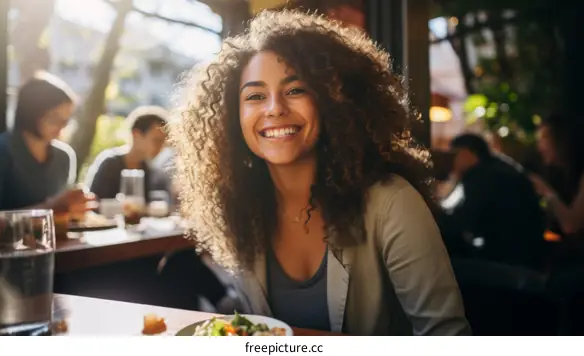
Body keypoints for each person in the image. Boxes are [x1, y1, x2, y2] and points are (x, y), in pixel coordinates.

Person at [169, 10, 470, 335]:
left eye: (295, 90)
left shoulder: (391, 203)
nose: (274, 108)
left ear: (333, 102)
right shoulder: (241, 208)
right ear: (232, 117)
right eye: (255, 96)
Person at [0, 71, 93, 218]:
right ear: (32, 112)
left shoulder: (64, 156)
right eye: (54, 118)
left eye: (66, 120)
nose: (61, 126)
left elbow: (63, 215)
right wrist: (52, 207)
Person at [443, 133, 547, 269]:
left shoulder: (481, 175)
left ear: (467, 153)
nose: (452, 161)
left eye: (454, 155)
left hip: (507, 262)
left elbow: (468, 220)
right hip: (529, 257)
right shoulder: (499, 168)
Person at [84, 106, 171, 203]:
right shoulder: (110, 163)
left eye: (163, 142)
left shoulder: (147, 168)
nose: (161, 147)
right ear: (136, 135)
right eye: (157, 140)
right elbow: (94, 202)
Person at [530, 113, 584, 237]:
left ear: (564, 139)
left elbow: (572, 226)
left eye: (545, 138)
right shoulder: (558, 175)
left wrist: (545, 190)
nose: (540, 147)